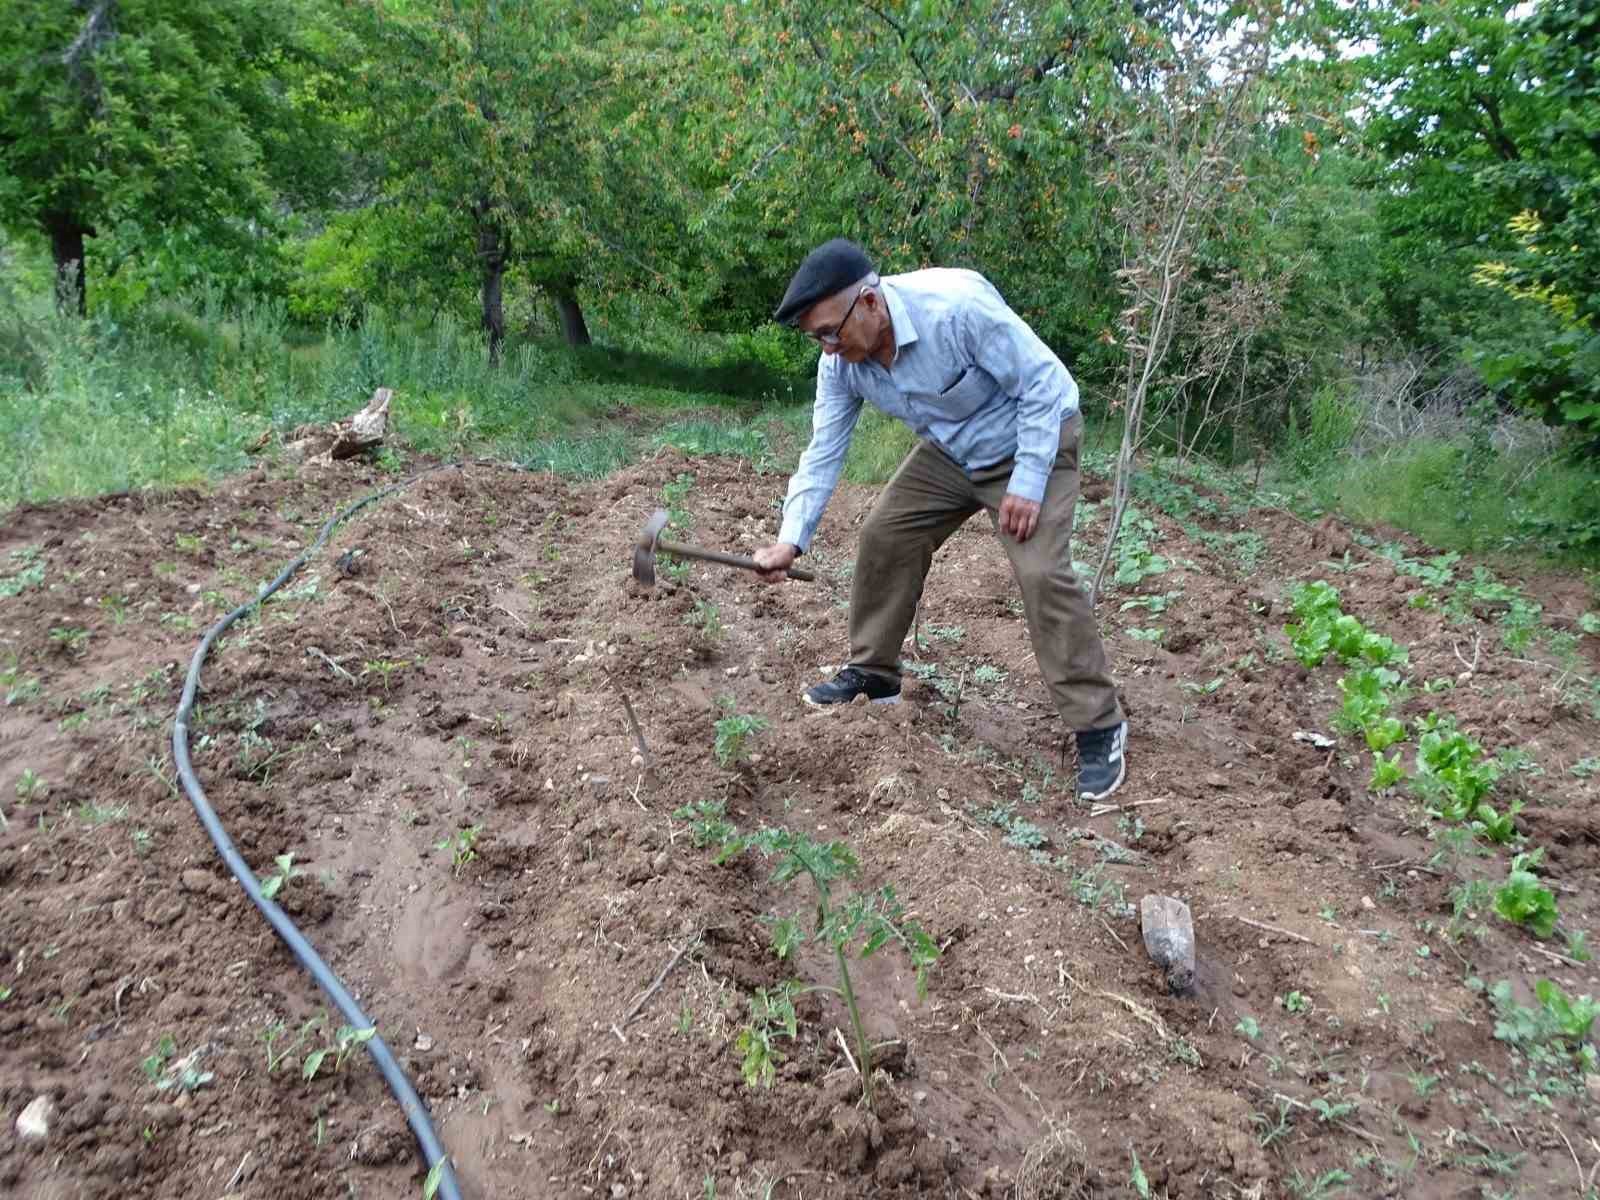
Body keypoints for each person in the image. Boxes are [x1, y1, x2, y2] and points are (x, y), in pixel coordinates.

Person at [750, 238, 1129, 802]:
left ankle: (1099, 725)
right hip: (952, 452)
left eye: (831, 331)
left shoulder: (955, 310)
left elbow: (1046, 387)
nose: (827, 348)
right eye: (816, 338)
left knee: (1041, 573)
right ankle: (874, 672)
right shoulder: (842, 364)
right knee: (886, 533)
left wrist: (1027, 481)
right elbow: (823, 449)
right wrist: (790, 540)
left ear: (871, 303)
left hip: (1033, 441)